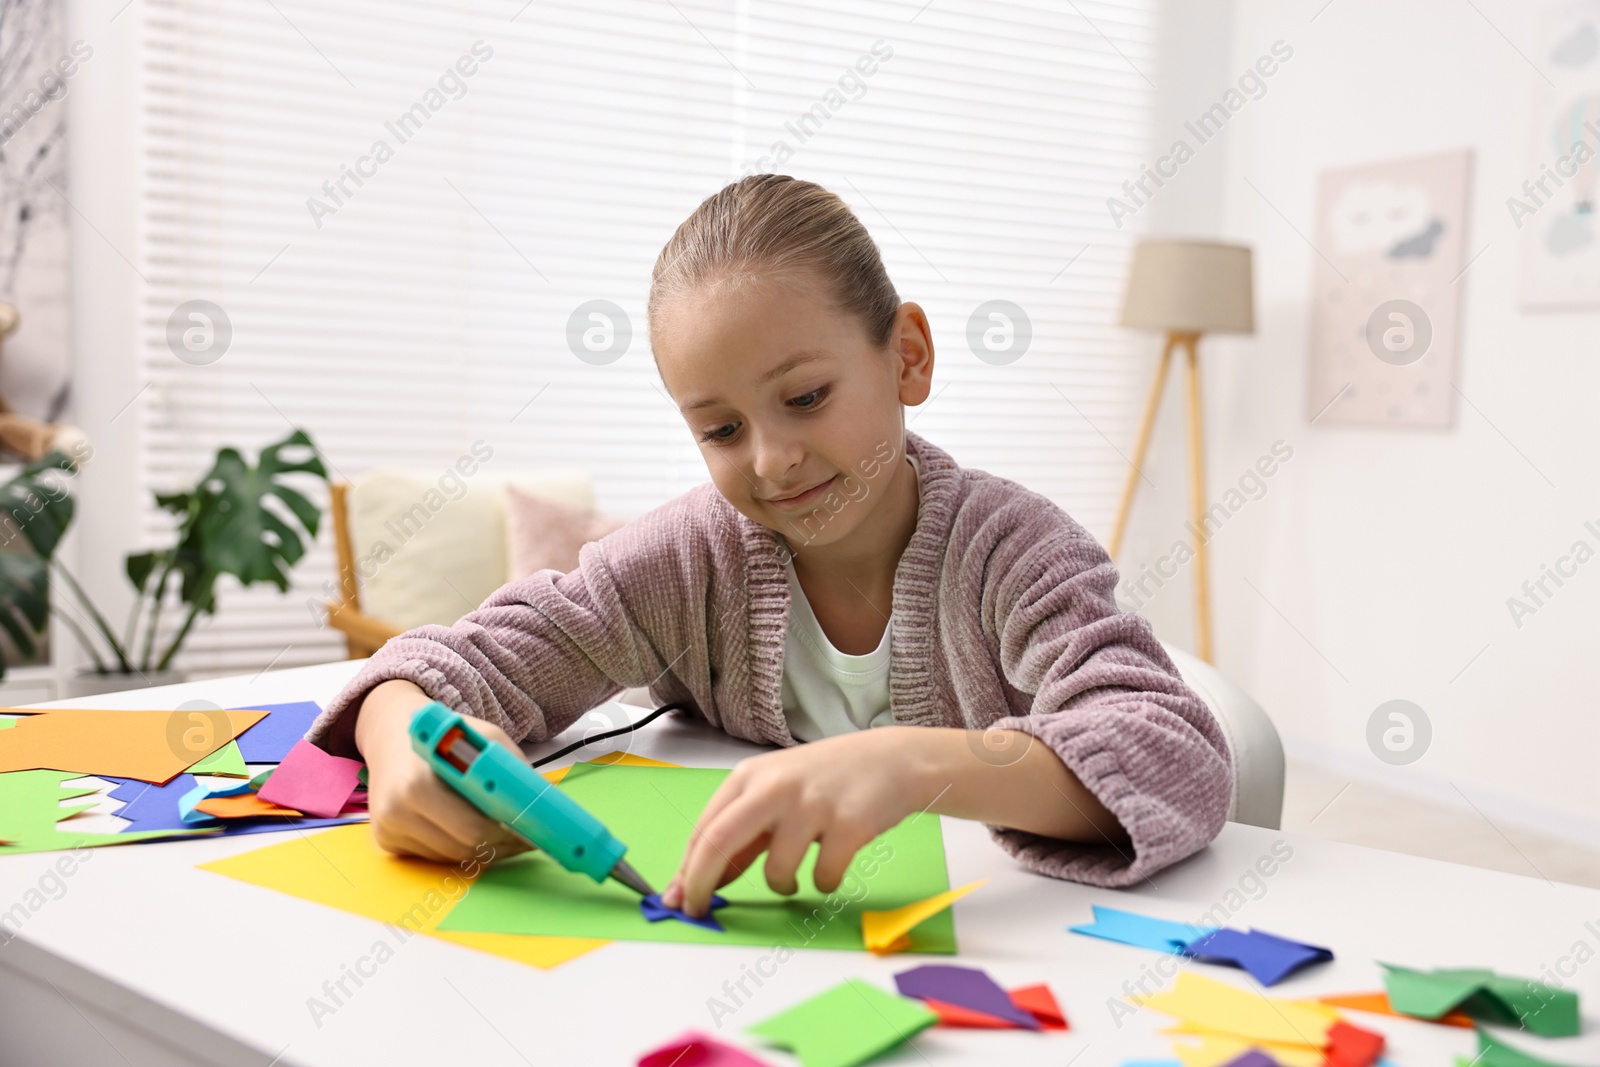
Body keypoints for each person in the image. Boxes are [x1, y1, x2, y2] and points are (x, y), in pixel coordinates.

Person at [305, 174, 1231, 919]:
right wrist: (396, 739)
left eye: (806, 397)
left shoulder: (1011, 551)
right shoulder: (684, 562)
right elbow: (447, 662)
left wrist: (915, 764)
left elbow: (1176, 752)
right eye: (719, 428)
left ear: (907, 354)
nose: (773, 459)